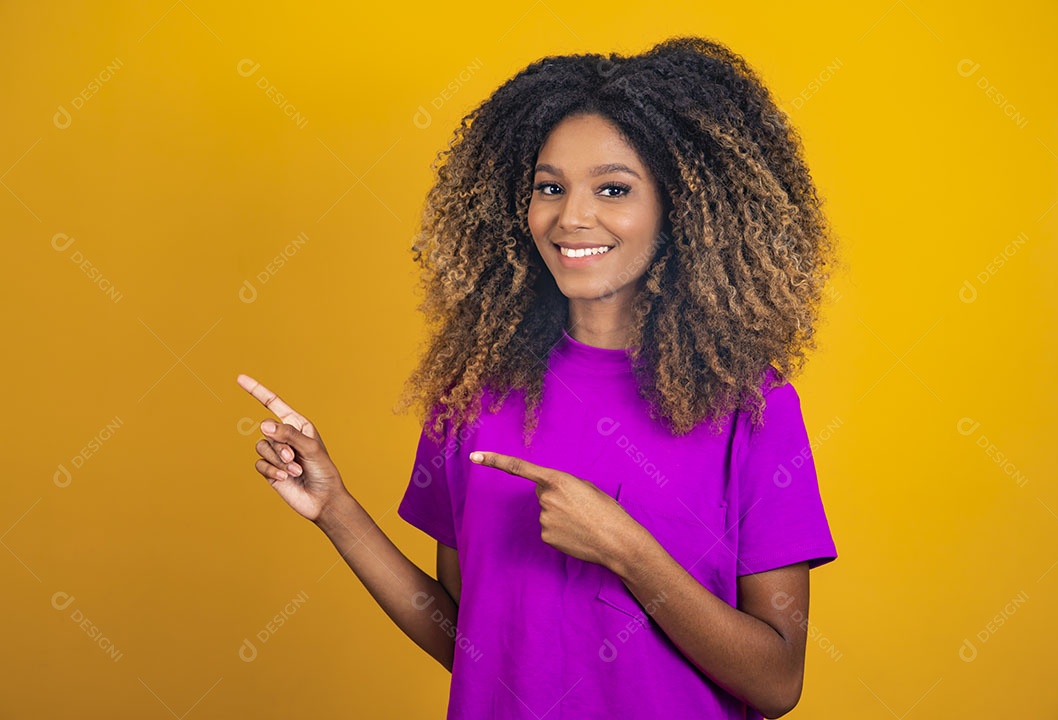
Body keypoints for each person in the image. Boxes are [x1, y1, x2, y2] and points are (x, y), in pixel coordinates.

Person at [238, 35, 839, 719]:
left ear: (682, 210)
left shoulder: (751, 407)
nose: (571, 217)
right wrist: (336, 510)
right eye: (549, 187)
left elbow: (776, 682)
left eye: (613, 189)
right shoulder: (473, 393)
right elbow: (469, 643)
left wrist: (626, 549)